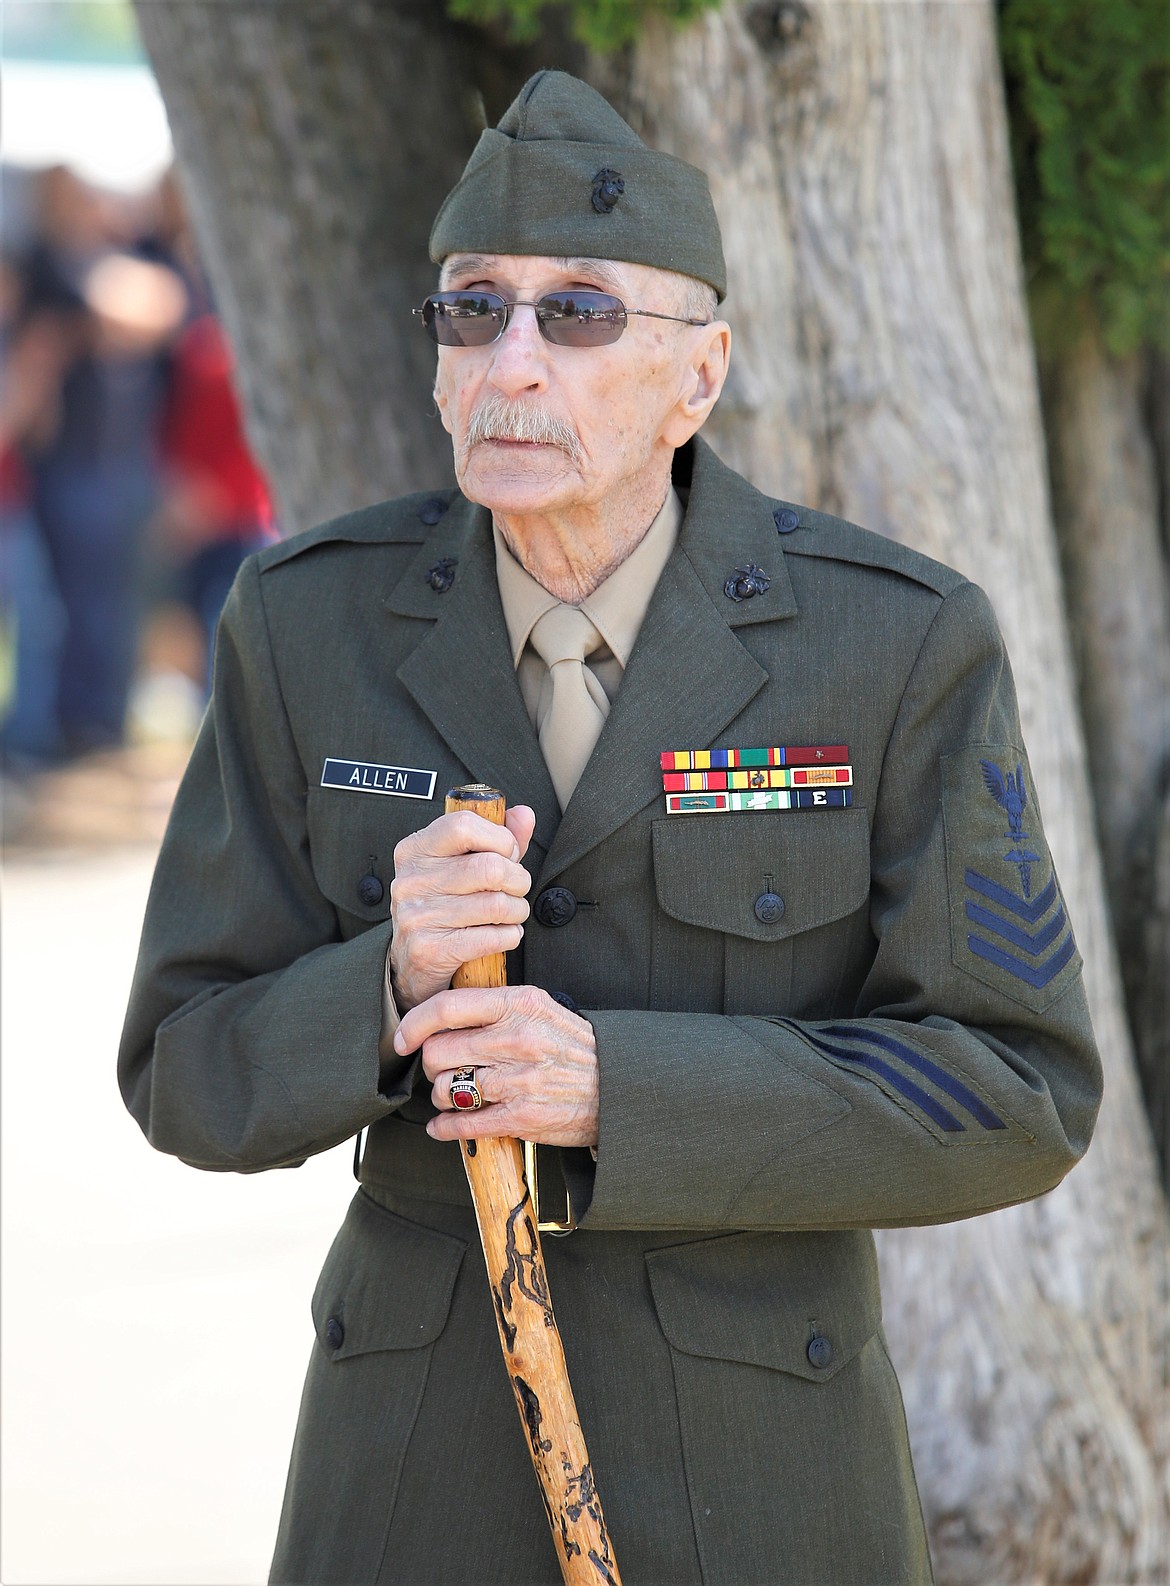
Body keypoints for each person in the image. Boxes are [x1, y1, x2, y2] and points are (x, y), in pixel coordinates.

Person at [120, 71, 1101, 1586]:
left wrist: (616, 1087)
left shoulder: (891, 643)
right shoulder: (307, 620)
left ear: (696, 376)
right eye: (472, 310)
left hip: (761, 1471)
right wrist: (384, 986)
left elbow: (1015, 1088)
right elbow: (185, 1066)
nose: (513, 361)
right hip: (408, 1465)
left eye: (576, 314)